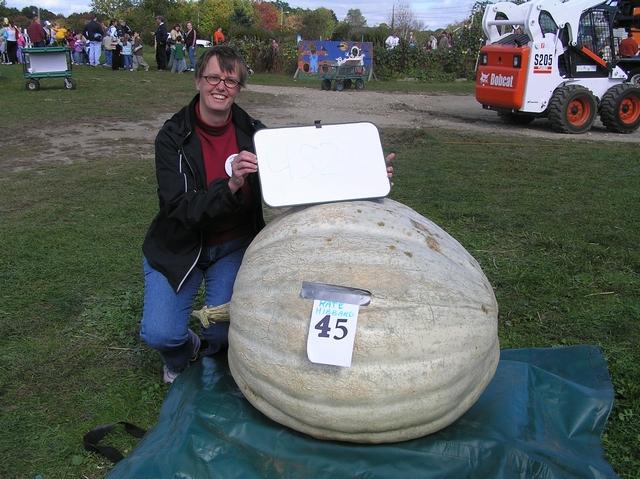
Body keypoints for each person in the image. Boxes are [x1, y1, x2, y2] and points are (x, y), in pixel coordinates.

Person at [139, 45, 395, 384]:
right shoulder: (173, 137)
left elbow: (304, 180)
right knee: (161, 334)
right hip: (178, 247)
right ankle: (183, 352)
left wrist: (367, 173)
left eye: (230, 81)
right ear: (198, 81)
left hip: (233, 247)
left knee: (227, 332)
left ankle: (214, 351)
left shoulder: (256, 134)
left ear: (239, 88)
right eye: (213, 78)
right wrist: (230, 186)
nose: (220, 87)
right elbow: (178, 208)